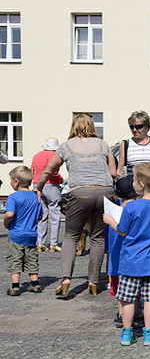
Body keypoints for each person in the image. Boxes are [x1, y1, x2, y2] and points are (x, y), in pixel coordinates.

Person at [34, 113, 116, 297]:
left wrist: (39, 187)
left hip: (80, 193)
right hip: (105, 192)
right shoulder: (104, 145)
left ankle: (66, 279)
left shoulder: (66, 146)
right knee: (97, 237)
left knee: (71, 235)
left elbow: (49, 170)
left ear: (73, 126)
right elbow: (112, 172)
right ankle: (94, 281)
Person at [103, 162, 150, 346]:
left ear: (141, 184)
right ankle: (149, 334)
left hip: (131, 261)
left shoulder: (132, 208)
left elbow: (123, 230)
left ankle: (127, 334)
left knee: (127, 299)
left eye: (134, 179)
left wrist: (110, 221)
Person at [4, 166, 44, 296]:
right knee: (31, 259)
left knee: (15, 259)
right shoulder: (35, 198)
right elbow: (40, 216)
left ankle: (15, 287)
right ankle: (35, 284)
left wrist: (6, 223)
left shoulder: (13, 197)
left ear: (16, 182)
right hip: (31, 235)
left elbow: (9, 214)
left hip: (16, 234)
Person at [107, 175, 138, 328]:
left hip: (116, 258)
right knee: (135, 289)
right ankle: (136, 314)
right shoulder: (137, 209)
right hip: (133, 258)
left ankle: (121, 315)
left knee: (121, 290)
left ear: (118, 194)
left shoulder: (114, 209)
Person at [31, 137, 63, 253]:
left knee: (42, 215)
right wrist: (60, 179)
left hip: (37, 184)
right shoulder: (54, 155)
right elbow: (53, 173)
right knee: (55, 214)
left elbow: (32, 170)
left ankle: (41, 243)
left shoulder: (36, 155)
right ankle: (53, 244)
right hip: (51, 185)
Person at [116, 111, 150, 177]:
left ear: (147, 128)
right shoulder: (126, 144)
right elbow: (119, 171)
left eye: (138, 127)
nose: (134, 130)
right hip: (133, 183)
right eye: (131, 127)